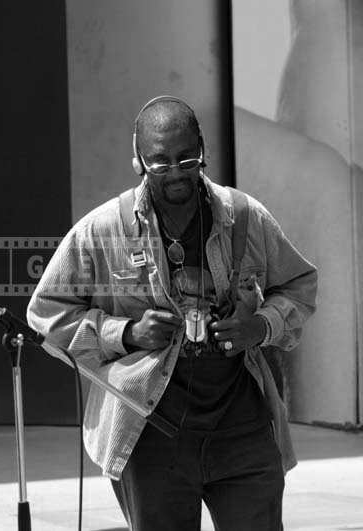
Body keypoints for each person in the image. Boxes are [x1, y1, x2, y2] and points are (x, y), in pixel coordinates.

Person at [27, 96, 317, 531]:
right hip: (149, 433)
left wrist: (259, 326)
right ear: (138, 160)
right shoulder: (104, 229)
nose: (176, 172)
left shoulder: (244, 217)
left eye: (186, 158)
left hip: (242, 429)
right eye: (159, 163)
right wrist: (124, 334)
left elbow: (299, 285)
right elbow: (45, 314)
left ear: (203, 149)